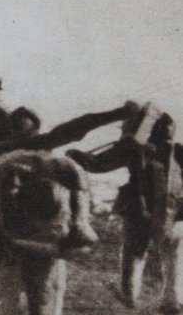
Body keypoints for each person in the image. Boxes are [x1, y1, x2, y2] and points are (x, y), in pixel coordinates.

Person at [67, 102, 183, 311]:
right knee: (173, 253)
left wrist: (77, 157)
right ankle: (171, 300)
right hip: (171, 210)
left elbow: (99, 164)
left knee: (135, 252)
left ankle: (131, 296)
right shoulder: (177, 152)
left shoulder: (134, 147)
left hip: (140, 208)